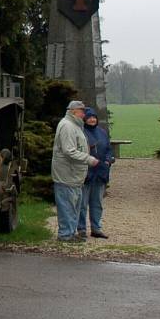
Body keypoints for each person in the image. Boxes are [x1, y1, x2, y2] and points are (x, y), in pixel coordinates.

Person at [51, 100, 99, 242]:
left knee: (74, 206)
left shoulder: (75, 125)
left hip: (74, 175)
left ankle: (71, 233)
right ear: (73, 111)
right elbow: (69, 151)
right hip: (67, 174)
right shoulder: (67, 126)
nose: (84, 114)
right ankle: (66, 235)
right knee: (67, 205)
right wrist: (89, 159)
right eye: (81, 111)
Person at [77, 107, 114, 239]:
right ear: (84, 119)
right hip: (87, 172)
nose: (92, 120)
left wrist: (109, 160)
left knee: (97, 203)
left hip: (101, 172)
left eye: (94, 117)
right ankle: (81, 229)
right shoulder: (81, 133)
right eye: (89, 117)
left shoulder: (102, 132)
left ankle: (96, 228)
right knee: (82, 204)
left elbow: (109, 149)